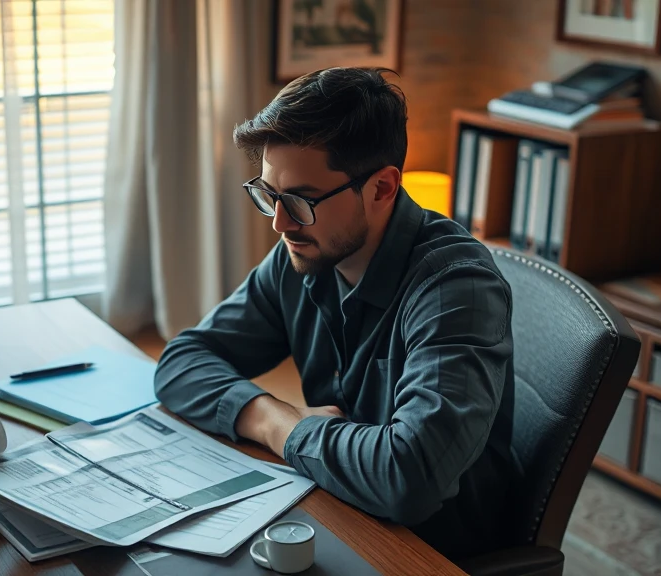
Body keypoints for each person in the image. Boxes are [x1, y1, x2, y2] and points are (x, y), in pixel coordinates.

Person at [153, 67, 515, 561]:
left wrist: (288, 432)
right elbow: (182, 361)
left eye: (301, 200)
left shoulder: (457, 288)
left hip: (429, 552)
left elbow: (408, 478)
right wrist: (269, 416)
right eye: (269, 195)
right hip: (336, 506)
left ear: (383, 187)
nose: (280, 222)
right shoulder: (303, 252)